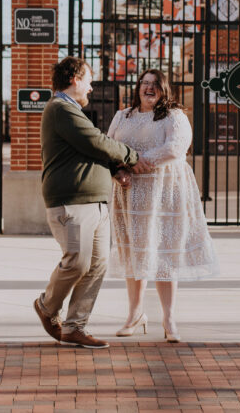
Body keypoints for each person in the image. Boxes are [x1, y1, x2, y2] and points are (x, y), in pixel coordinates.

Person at [34, 56, 152, 349]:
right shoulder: (60, 108)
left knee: (97, 265)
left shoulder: (70, 110)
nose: (91, 86)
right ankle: (47, 306)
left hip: (96, 203)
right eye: (88, 79)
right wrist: (131, 157)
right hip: (72, 202)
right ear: (74, 79)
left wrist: (114, 171)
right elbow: (96, 142)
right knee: (78, 261)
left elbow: (87, 151)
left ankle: (75, 326)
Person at [108, 68, 220, 343]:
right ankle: (135, 315)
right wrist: (118, 169)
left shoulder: (174, 116)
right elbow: (109, 147)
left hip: (164, 192)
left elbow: (175, 148)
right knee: (135, 252)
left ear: (164, 89)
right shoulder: (122, 116)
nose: (148, 88)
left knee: (163, 254)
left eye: (155, 84)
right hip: (129, 192)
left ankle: (169, 319)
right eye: (144, 83)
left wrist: (134, 160)